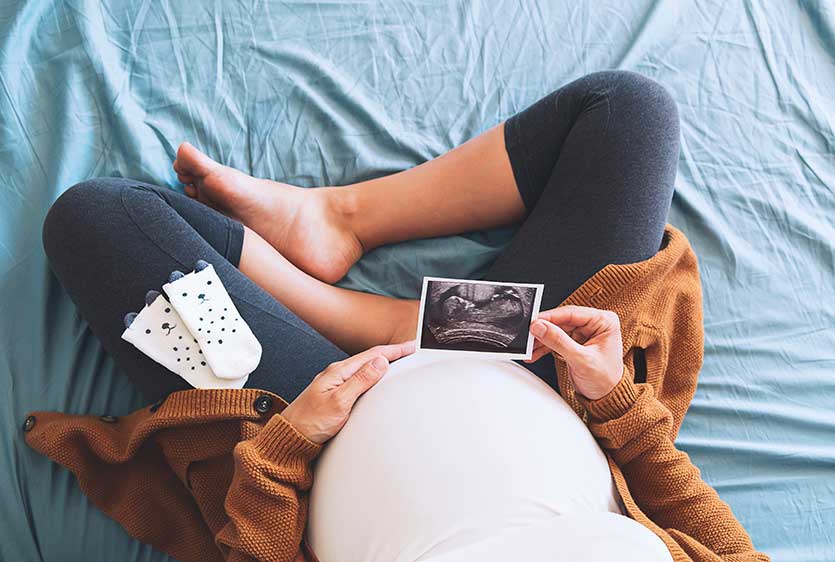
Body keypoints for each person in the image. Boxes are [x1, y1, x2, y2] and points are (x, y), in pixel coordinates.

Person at [30, 71, 770, 562]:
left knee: (98, 219)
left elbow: (255, 551)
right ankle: (346, 224)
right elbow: (715, 540)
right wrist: (614, 401)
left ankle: (368, 320)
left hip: (308, 419)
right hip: (538, 364)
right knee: (626, 114)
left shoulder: (298, 435)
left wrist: (289, 447)